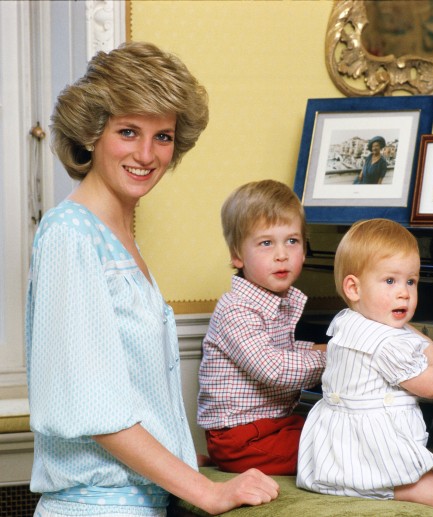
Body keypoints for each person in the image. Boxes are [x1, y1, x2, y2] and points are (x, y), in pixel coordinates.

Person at [25, 42, 279, 517]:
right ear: (91, 134)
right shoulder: (69, 234)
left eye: (163, 137)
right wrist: (205, 490)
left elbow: (129, 390)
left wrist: (180, 458)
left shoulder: (118, 236)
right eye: (128, 131)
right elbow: (95, 409)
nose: (147, 154)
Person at [296, 219, 433, 517]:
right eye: (390, 281)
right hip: (373, 462)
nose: (404, 293)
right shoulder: (386, 344)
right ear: (354, 287)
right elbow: (430, 386)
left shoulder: (349, 321)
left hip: (336, 458)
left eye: (411, 281)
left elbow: (412, 336)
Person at [197, 180, 326, 476]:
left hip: (272, 425)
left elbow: (282, 349)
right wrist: (334, 357)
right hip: (240, 438)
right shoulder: (236, 309)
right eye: (266, 243)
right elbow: (275, 368)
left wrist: (319, 348)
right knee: (335, 447)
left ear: (304, 250)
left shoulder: (276, 300)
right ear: (237, 255)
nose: (282, 254)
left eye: (292, 241)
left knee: (337, 427)